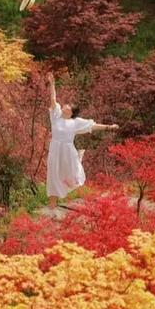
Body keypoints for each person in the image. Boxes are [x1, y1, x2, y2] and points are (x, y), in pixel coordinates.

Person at [45, 71, 118, 216]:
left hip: (67, 151)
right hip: (55, 149)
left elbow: (93, 125)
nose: (65, 106)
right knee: (53, 175)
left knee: (71, 174)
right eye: (65, 105)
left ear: (72, 112)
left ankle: (78, 159)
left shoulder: (76, 122)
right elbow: (53, 99)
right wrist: (52, 84)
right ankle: (51, 208)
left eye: (68, 106)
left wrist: (109, 127)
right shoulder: (56, 116)